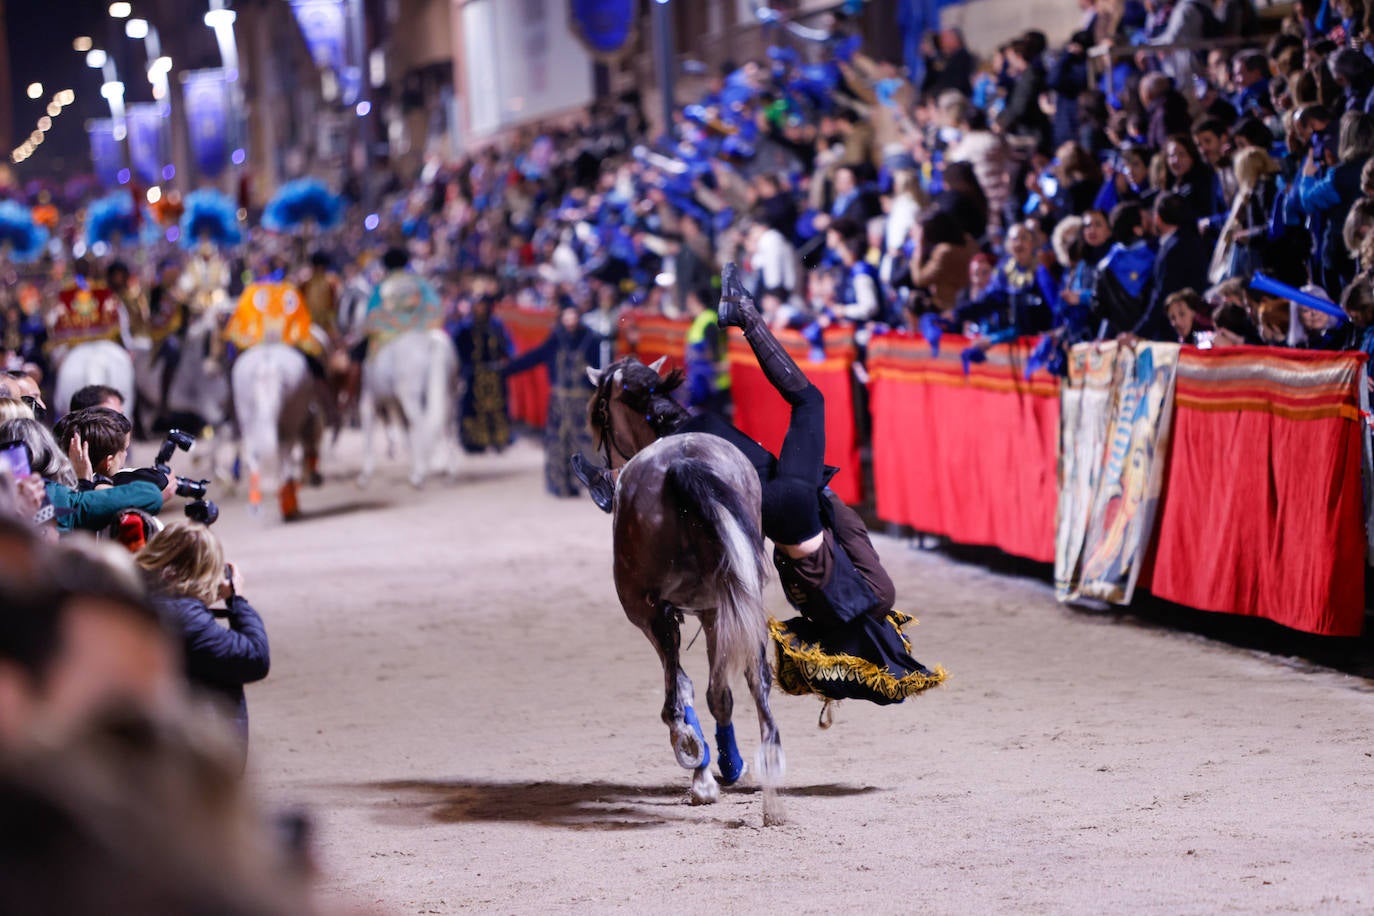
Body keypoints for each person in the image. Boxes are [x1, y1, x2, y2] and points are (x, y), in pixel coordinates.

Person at [575, 264, 942, 705]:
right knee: (703, 435)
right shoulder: (824, 612)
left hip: (798, 507)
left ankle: (744, 316)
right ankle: (618, 472)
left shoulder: (879, 598)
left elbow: (849, 528)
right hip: (775, 510)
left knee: (808, 400)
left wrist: (832, 507)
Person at [136, 520, 269, 769]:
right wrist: (237, 601)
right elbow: (255, 657)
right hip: (187, 760)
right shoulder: (185, 617)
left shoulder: (138, 596)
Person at [503, 299, 604, 498]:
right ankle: (559, 483)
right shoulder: (556, 339)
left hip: (582, 402)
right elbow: (535, 357)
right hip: (559, 402)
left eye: (573, 316)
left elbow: (598, 370)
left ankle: (589, 483)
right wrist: (506, 370)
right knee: (557, 442)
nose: (570, 320)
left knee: (584, 442)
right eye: (567, 316)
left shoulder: (592, 340)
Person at [0, 417, 168, 535]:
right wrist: (93, 484)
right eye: (124, 450)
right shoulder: (59, 497)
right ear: (47, 450)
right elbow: (151, 495)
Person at [453, 292, 514, 454]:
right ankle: (474, 442)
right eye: (477, 305)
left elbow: (508, 346)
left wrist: (508, 359)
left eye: (483, 305)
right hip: (475, 374)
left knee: (497, 408)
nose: (480, 308)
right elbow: (457, 348)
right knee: (472, 408)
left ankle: (498, 439)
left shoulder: (497, 325)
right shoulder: (465, 327)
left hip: (494, 373)